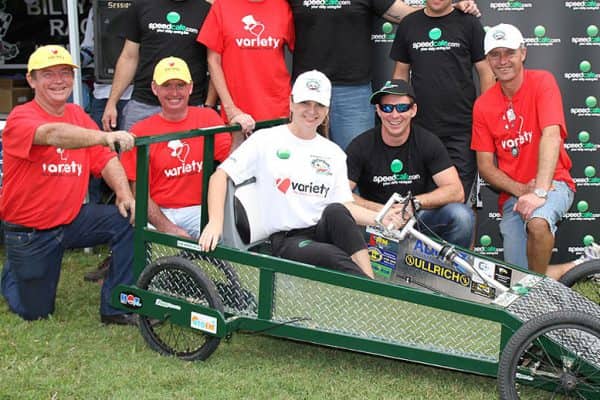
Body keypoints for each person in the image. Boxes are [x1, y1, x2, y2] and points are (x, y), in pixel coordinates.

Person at [199, 70, 404, 279]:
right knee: (332, 256)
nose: (311, 111)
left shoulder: (333, 152)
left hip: (322, 230)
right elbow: (219, 176)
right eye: (305, 103)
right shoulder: (265, 140)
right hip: (287, 239)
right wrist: (215, 222)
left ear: (327, 109)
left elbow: (346, 206)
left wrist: (381, 219)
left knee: (337, 212)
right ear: (291, 103)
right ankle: (370, 290)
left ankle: (370, 282)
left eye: (319, 105)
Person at [0, 45, 137, 324]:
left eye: (64, 73)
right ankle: (14, 272)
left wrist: (124, 194)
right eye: (48, 74)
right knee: (36, 312)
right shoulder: (20, 117)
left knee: (129, 219)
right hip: (31, 231)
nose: (58, 80)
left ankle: (116, 307)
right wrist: (103, 137)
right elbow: (52, 134)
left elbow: (105, 159)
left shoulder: (76, 113)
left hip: (71, 219)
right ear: (31, 80)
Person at [288, 0, 480, 150]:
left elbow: (405, 13)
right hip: (308, 94)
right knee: (302, 165)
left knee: (356, 166)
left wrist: (450, 9)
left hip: (353, 93)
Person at [471, 24, 580, 280]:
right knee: (518, 279)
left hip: (553, 184)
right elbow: (485, 166)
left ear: (523, 52)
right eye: (495, 54)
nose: (502, 61)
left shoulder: (543, 82)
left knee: (538, 223)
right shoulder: (483, 105)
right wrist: (522, 190)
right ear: (487, 60)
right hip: (514, 196)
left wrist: (539, 192)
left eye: (509, 52)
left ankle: (537, 293)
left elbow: (551, 136)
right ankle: (581, 265)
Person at [346, 79, 473, 248]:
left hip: (417, 219)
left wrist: (413, 204)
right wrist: (382, 211)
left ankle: (445, 265)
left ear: (413, 110)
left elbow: (456, 191)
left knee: (461, 216)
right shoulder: (361, 145)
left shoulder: (427, 141)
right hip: (375, 221)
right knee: (339, 216)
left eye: (402, 108)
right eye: (387, 108)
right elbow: (340, 194)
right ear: (378, 110)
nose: (394, 115)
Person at [390, 0, 494, 199]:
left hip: (461, 132)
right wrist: (399, 114)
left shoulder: (469, 23)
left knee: (458, 202)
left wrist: (484, 117)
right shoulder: (409, 24)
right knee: (421, 201)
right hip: (419, 132)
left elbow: (486, 72)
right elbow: (400, 75)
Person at [120, 57, 231, 239]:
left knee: (226, 237)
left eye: (180, 85)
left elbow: (232, 163)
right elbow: (138, 192)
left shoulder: (208, 118)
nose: (174, 92)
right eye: (166, 85)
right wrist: (168, 228)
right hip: (159, 212)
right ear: (155, 88)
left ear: (190, 87)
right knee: (140, 240)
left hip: (201, 210)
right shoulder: (140, 131)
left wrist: (238, 131)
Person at [101, 0, 214, 132]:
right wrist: (112, 102)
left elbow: (214, 62)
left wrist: (209, 105)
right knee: (133, 145)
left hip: (189, 106)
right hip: (144, 105)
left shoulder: (206, 10)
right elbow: (129, 57)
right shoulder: (141, 5)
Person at [197, 0, 294, 150]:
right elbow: (213, 60)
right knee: (237, 163)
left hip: (278, 112)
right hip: (238, 116)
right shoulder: (222, 6)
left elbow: (303, 51)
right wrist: (230, 108)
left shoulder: (282, 6)